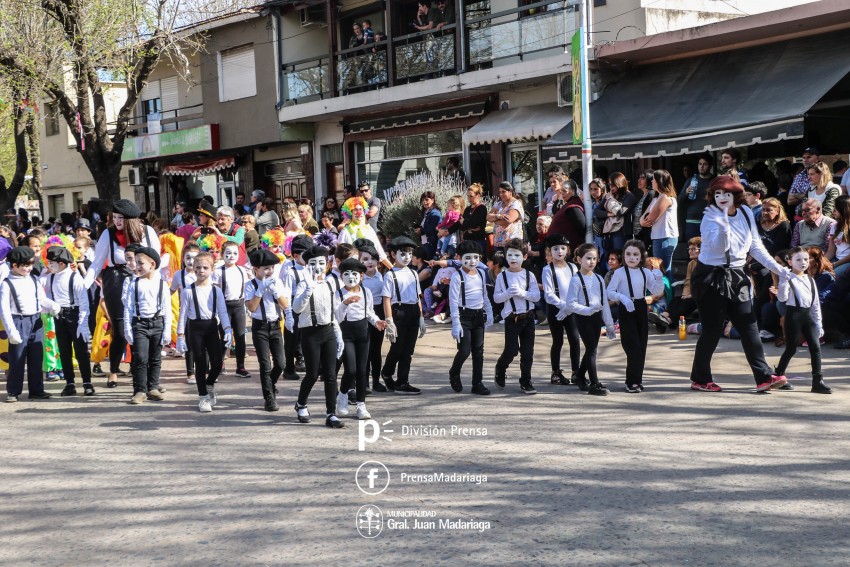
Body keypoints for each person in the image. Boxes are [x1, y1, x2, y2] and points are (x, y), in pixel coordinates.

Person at [689, 176, 791, 393]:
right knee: (712, 330)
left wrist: (778, 268)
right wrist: (724, 227)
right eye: (717, 194)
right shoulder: (709, 217)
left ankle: (764, 377)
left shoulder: (745, 213)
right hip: (711, 277)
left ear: (736, 196)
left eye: (727, 194)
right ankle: (700, 378)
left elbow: (755, 246)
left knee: (749, 326)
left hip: (737, 275)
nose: (722, 198)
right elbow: (718, 248)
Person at [84, 199, 160, 389]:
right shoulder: (107, 235)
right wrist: (81, 286)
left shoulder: (148, 233)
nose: (117, 221)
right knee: (120, 330)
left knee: (142, 326)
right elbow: (96, 264)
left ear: (132, 219)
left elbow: (156, 261)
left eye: (121, 218)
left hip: (143, 280)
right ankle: (114, 371)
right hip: (116, 280)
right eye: (115, 217)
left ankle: (145, 375)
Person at [292, 245, 345, 428]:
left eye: (321, 263)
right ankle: (301, 404)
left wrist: (338, 334)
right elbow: (297, 308)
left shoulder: (331, 283)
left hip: (328, 330)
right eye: (313, 264)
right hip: (310, 333)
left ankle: (331, 413)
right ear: (307, 266)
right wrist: (308, 288)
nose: (318, 267)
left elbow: (333, 312)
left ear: (327, 264)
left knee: (330, 375)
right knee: (312, 374)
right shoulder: (303, 284)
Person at [1, 247, 60, 402]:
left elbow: (41, 299)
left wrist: (52, 305)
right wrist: (11, 331)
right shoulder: (6, 283)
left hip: (36, 321)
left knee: (36, 357)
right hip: (18, 322)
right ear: (14, 265)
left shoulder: (33, 279)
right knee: (17, 359)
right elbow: (4, 310)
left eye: (30, 265)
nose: (28, 268)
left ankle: (36, 390)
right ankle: (13, 391)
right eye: (25, 265)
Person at [606, 240, 665, 393]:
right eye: (628, 254)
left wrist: (658, 276)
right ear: (623, 256)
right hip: (626, 308)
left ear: (641, 256)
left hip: (640, 307)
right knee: (632, 346)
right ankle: (630, 381)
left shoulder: (645, 272)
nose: (631, 257)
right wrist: (623, 298)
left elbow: (657, 289)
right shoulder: (619, 272)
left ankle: (636, 380)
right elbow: (609, 291)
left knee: (642, 345)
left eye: (635, 254)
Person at [177, 252, 232, 412]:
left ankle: (209, 384)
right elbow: (183, 314)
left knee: (216, 363)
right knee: (200, 363)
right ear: (193, 269)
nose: (201, 270)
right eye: (198, 267)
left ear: (212, 269)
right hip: (195, 329)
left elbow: (222, 312)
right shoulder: (188, 291)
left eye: (205, 267)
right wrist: (180, 335)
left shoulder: (217, 291)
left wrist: (228, 329)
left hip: (212, 328)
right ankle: (203, 397)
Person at [335, 257, 387, 419]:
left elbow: (369, 312)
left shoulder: (366, 292)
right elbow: (337, 317)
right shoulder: (338, 293)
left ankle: (361, 405)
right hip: (346, 334)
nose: (351, 277)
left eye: (355, 274)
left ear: (362, 276)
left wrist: (376, 321)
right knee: (351, 369)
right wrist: (345, 303)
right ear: (342, 276)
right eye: (347, 274)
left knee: (362, 371)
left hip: (363, 333)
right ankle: (342, 396)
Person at [774, 247, 831, 394]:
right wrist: (783, 281)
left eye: (806, 259)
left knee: (815, 347)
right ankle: (778, 375)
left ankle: (817, 381)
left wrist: (819, 323)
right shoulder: (788, 277)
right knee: (791, 348)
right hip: (793, 316)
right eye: (798, 260)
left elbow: (815, 304)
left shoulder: (810, 280)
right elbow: (782, 298)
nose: (803, 262)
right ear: (790, 261)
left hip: (808, 316)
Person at [566, 243, 616, 396]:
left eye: (594, 258)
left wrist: (609, 324)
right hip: (582, 318)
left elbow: (604, 304)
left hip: (596, 319)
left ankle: (580, 375)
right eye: (588, 258)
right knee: (592, 350)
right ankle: (594, 383)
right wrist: (587, 310)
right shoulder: (576, 280)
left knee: (590, 349)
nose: (592, 262)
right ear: (579, 259)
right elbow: (571, 303)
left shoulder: (599, 279)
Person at [124, 247, 171, 405]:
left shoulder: (161, 285)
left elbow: (167, 309)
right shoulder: (134, 284)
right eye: (136, 262)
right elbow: (128, 308)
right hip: (140, 324)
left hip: (157, 323)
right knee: (141, 358)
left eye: (140, 263)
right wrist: (127, 328)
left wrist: (167, 331)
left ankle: (153, 387)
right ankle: (140, 390)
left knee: (155, 358)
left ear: (152, 264)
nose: (137, 266)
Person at [493, 238, 540, 394]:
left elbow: (536, 296)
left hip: (528, 318)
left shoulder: (529, 276)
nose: (513, 259)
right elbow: (496, 298)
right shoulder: (502, 276)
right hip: (511, 319)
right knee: (511, 350)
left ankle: (526, 380)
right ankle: (500, 367)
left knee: (528, 352)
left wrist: (522, 293)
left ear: (524, 257)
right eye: (510, 255)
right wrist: (507, 294)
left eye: (517, 255)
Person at [44, 246, 93, 397]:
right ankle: (69, 383)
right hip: (59, 316)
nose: (49, 265)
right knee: (64, 351)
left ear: (62, 264)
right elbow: (44, 295)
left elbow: (84, 302)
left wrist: (83, 324)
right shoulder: (50, 277)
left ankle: (87, 382)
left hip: (75, 315)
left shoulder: (74, 277)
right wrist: (52, 307)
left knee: (81, 352)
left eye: (52, 262)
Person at [380, 236, 426, 395]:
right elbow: (386, 298)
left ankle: (402, 381)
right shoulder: (390, 274)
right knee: (397, 348)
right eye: (402, 254)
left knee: (408, 350)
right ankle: (387, 372)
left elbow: (417, 296)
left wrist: (420, 317)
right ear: (393, 254)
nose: (407, 257)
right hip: (398, 312)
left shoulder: (414, 273)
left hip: (413, 311)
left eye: (409, 254)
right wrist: (389, 321)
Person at [246, 248, 289, 412]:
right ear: (256, 269)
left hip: (275, 326)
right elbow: (252, 307)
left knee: (281, 363)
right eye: (265, 268)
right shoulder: (250, 285)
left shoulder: (277, 282)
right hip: (260, 328)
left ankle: (270, 385)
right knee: (265, 364)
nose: (270, 271)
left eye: (272, 267)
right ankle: (269, 398)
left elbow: (285, 305)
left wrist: (276, 293)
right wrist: (260, 290)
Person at [448, 241, 494, 395]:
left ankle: (477, 383)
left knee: (478, 351)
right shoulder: (457, 276)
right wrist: (456, 323)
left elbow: (485, 296)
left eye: (476, 257)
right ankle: (454, 372)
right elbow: (453, 300)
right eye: (468, 257)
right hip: (463, 317)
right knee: (464, 350)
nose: (473, 261)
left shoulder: (481, 273)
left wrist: (490, 312)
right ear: (459, 258)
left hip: (478, 316)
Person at [541, 233, 580, 385]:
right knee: (557, 341)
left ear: (567, 250)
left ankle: (576, 372)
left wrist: (571, 306)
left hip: (571, 309)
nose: (559, 251)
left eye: (563, 248)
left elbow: (577, 288)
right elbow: (549, 294)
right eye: (555, 248)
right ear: (549, 251)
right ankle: (555, 373)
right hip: (556, 310)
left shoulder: (573, 267)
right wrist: (563, 306)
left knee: (574, 340)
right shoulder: (547, 269)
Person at [213, 241, 251, 378]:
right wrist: (216, 311)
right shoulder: (218, 272)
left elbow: (246, 290)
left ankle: (240, 367)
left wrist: (248, 307)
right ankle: (220, 363)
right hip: (224, 307)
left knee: (240, 336)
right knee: (224, 337)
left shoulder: (242, 270)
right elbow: (215, 292)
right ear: (222, 254)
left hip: (239, 305)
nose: (231, 256)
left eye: (235, 253)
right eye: (228, 253)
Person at [639, 169, 679, 280]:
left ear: (659, 181)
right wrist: (643, 220)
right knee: (662, 269)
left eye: (654, 179)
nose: (651, 181)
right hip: (658, 237)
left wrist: (644, 220)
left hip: (665, 237)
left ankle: (668, 295)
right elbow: (642, 220)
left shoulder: (665, 197)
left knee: (663, 270)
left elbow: (650, 219)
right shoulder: (656, 198)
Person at [171, 243, 200, 385]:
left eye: (194, 258)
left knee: (203, 345)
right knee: (189, 346)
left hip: (203, 314)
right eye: (188, 258)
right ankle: (190, 372)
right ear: (183, 259)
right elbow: (171, 291)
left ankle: (204, 370)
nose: (191, 261)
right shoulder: (178, 275)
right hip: (187, 315)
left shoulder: (203, 273)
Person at [548, 176, 585, 249]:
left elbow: (582, 227)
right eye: (561, 191)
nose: (562, 193)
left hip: (568, 246)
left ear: (573, 191)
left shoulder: (573, 206)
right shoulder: (568, 204)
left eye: (565, 191)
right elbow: (555, 211)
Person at [459, 183, 488, 254]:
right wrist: (468, 225)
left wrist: (465, 222)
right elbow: (462, 227)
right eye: (468, 196)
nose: (469, 199)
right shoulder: (467, 209)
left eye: (471, 196)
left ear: (478, 195)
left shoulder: (481, 208)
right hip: (467, 240)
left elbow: (473, 224)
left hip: (477, 241)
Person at [826, 195, 850, 276]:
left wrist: (835, 264)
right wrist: (822, 262)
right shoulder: (835, 226)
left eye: (835, 209)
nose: (833, 212)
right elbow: (831, 251)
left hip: (846, 262)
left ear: (843, 210)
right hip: (836, 259)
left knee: (830, 276)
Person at [632, 169, 655, 249]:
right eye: (639, 178)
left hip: (645, 236)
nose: (639, 180)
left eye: (642, 178)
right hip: (639, 235)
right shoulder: (643, 195)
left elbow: (648, 217)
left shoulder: (651, 194)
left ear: (649, 179)